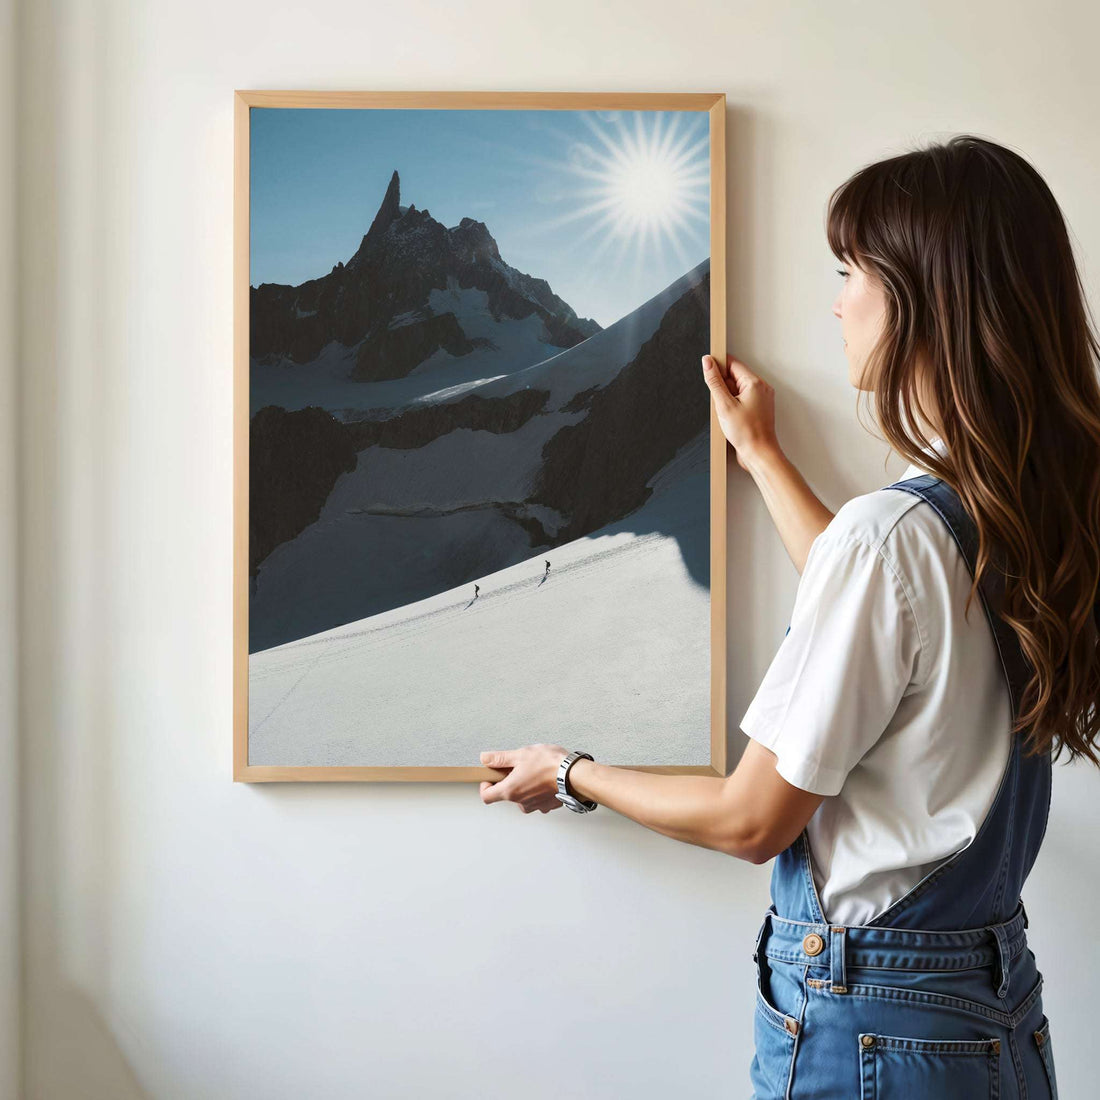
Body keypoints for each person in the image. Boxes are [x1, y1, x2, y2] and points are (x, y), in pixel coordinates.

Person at [477, 135, 1100, 1098]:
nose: (838, 299)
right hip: (988, 1015)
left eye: (852, 271)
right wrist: (764, 456)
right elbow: (889, 623)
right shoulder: (1017, 507)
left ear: (926, 298)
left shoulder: (894, 536)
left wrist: (569, 772)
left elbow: (750, 819)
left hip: (874, 1030)